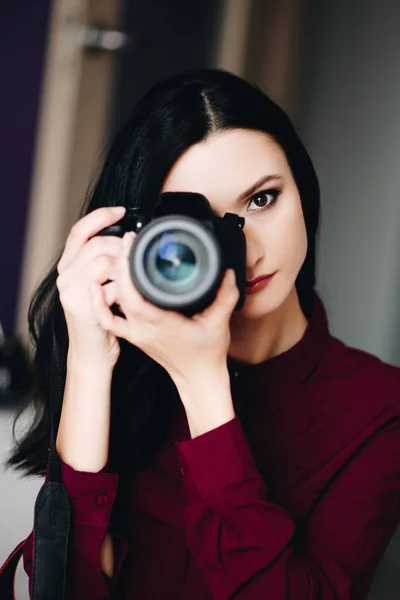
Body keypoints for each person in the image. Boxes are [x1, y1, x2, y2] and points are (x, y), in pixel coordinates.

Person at [6, 68, 400, 600]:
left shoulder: (381, 409)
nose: (245, 249)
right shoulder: (129, 373)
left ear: (304, 192)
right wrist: (89, 361)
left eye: (261, 200)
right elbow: (60, 589)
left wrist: (204, 384)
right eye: (201, 223)